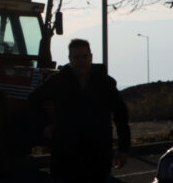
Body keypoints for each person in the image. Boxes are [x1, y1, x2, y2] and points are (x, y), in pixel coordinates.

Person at [29, 38, 130, 182]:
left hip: (98, 154)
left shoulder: (105, 83)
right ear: (70, 59)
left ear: (91, 57)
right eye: (76, 57)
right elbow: (34, 99)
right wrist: (45, 125)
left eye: (84, 56)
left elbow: (121, 114)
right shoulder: (58, 81)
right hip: (66, 155)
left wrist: (124, 148)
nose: (81, 61)